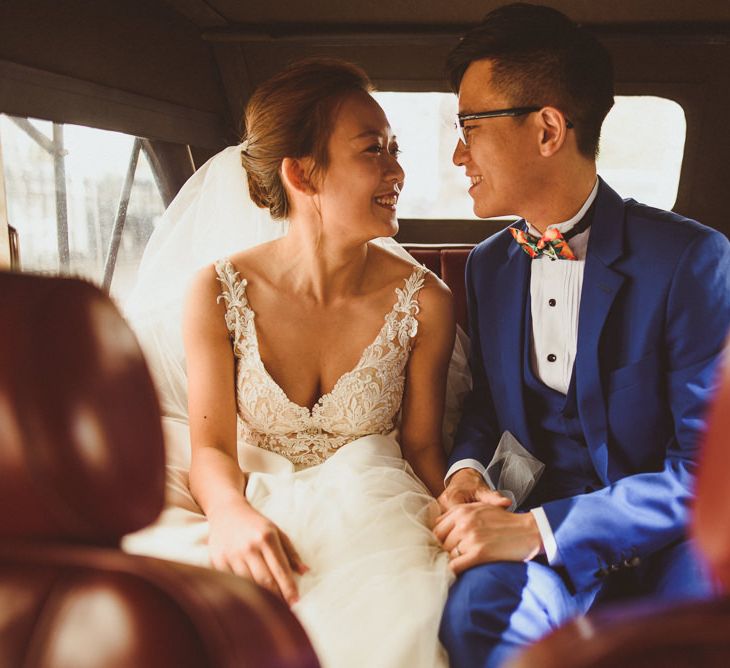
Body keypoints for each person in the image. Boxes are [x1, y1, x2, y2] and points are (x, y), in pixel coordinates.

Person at [123, 58, 461, 668]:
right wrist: (229, 515)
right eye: (373, 150)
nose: (397, 171)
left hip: (374, 503)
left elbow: (422, 449)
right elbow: (213, 451)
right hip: (249, 492)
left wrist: (460, 502)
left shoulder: (426, 302)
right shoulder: (218, 293)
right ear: (303, 175)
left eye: (395, 149)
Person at [434, 4, 730, 667]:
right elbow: (487, 408)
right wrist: (466, 473)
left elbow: (704, 473)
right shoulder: (488, 267)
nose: (458, 154)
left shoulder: (691, 260)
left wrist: (537, 530)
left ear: (546, 130)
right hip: (529, 536)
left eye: (470, 127)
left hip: (665, 544)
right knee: (475, 619)